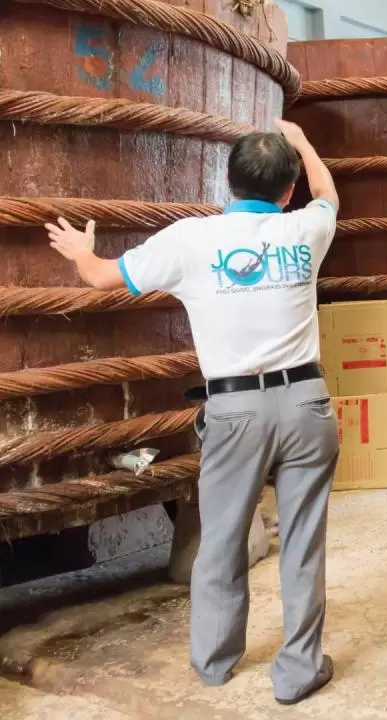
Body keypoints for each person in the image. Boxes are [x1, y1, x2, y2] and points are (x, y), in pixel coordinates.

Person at [45, 120, 339, 704]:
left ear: (226, 182)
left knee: (223, 537)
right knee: (304, 541)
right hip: (307, 403)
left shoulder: (189, 240)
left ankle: (214, 661)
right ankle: (298, 672)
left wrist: (82, 251)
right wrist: (304, 142)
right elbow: (328, 194)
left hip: (235, 409)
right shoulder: (307, 229)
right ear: (287, 192)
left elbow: (102, 277)